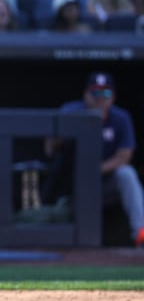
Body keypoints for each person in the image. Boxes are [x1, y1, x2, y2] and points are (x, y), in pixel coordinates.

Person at [43, 71, 144, 248]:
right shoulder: (71, 111)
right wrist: (63, 133)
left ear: (113, 97)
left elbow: (125, 155)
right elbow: (49, 150)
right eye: (95, 93)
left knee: (126, 173)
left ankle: (140, 232)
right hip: (72, 185)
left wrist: (95, 169)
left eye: (105, 93)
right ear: (85, 95)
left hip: (104, 183)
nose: (100, 98)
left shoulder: (120, 118)